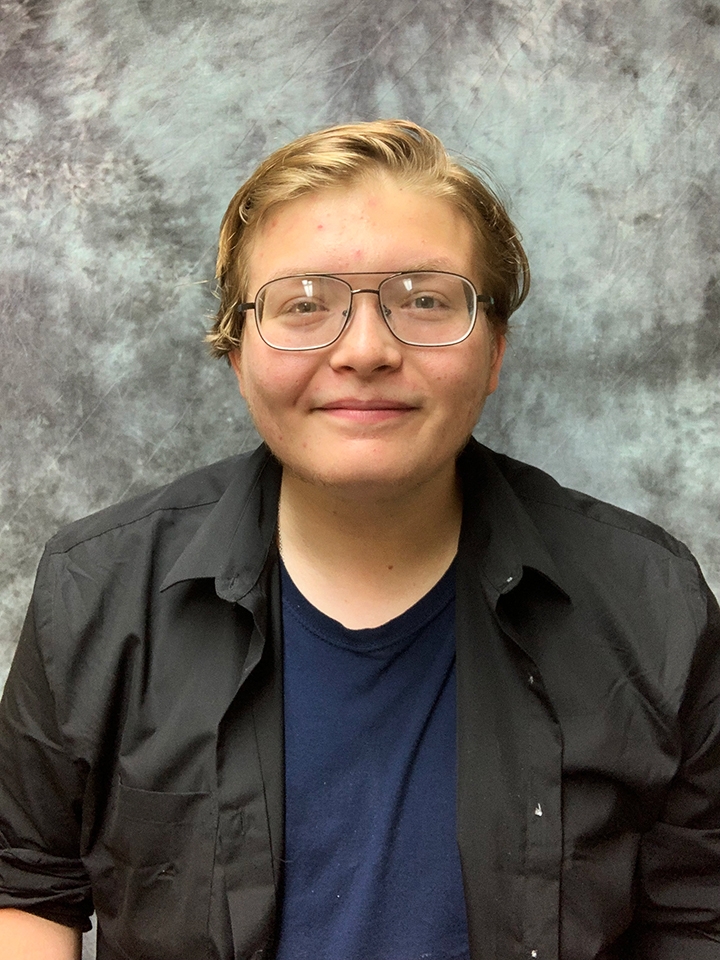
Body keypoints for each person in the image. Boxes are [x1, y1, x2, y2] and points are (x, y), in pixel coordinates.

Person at [0, 120, 718, 960]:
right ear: (237, 353)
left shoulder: (650, 603)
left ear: (494, 352)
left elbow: (696, 915)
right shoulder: (96, 590)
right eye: (304, 305)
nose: (366, 350)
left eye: (425, 300)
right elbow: (27, 888)